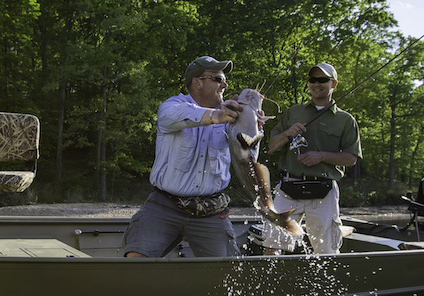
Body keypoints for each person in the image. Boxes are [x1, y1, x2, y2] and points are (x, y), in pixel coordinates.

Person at [122, 56, 244, 258]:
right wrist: (215, 117)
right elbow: (179, 114)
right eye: (218, 79)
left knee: (228, 276)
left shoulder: (230, 116)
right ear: (197, 82)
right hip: (164, 206)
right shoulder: (171, 107)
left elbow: (247, 155)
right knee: (136, 260)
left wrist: (250, 122)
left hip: (211, 212)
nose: (225, 84)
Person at [262, 63, 361, 255]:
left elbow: (351, 158)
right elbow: (272, 146)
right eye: (312, 80)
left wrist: (321, 156)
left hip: (324, 192)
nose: (316, 84)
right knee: (272, 246)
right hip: (287, 189)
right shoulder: (293, 112)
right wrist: (288, 133)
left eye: (322, 80)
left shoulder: (346, 120)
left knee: (326, 251)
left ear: (334, 84)